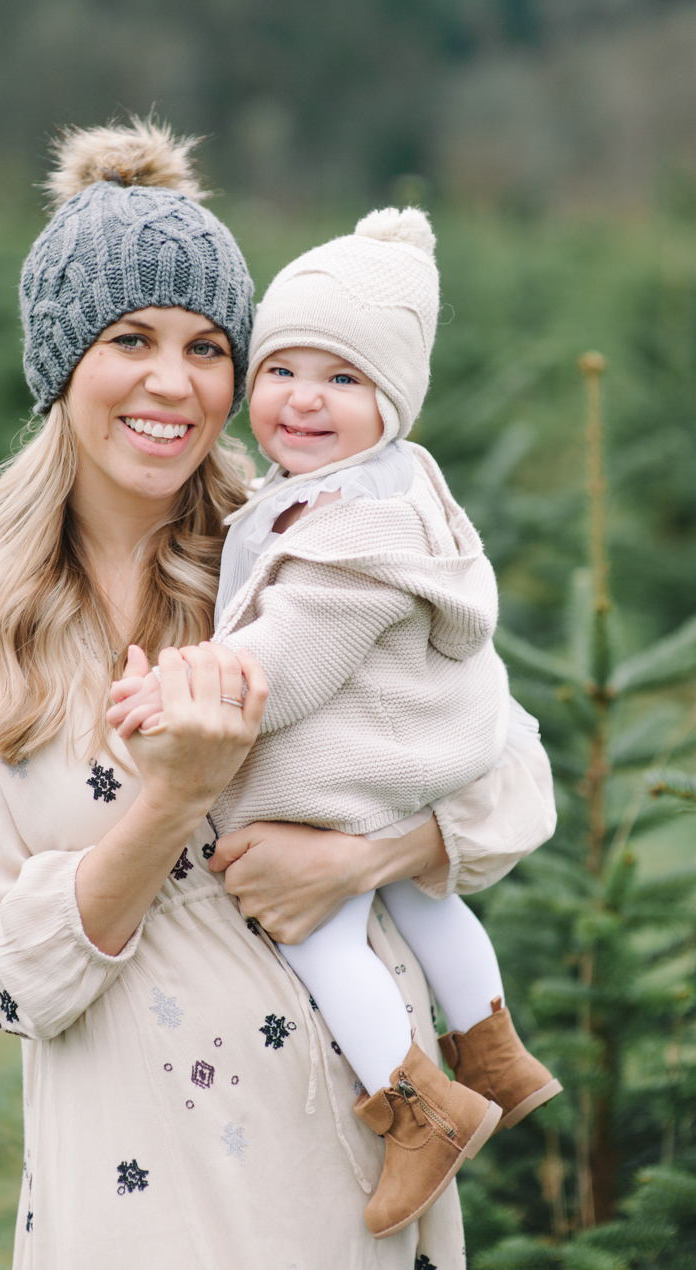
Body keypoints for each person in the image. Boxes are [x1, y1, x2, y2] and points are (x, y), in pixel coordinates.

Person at [0, 118, 557, 1269]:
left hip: (363, 1154)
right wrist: (171, 800)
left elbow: (514, 777)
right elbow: (11, 981)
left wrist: (363, 859)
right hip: (147, 1175)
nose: (172, 382)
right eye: (130, 339)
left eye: (208, 347)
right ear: (62, 363)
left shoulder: (307, 550)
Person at [108, 206, 562, 1238]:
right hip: (411, 771)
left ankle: (424, 1106)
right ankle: (493, 1049)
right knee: (429, 898)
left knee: (323, 937)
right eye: (283, 370)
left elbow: (290, 662)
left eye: (344, 379)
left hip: (348, 783)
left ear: (393, 400)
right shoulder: (377, 487)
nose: (304, 400)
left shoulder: (355, 529)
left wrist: (183, 680)